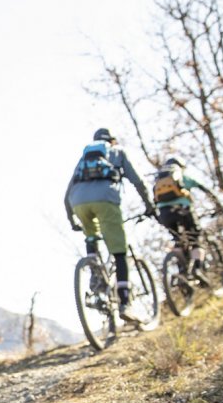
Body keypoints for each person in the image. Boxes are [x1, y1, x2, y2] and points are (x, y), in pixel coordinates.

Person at [64, 127, 156, 322]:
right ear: (111, 140)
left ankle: (95, 275)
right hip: (105, 199)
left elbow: (67, 193)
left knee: (91, 236)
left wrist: (72, 220)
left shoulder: (84, 159)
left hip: (78, 202)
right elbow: (137, 181)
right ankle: (125, 303)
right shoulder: (117, 152)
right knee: (119, 251)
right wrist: (150, 206)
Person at [153, 157, 219, 283]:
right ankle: (197, 269)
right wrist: (218, 203)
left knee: (178, 241)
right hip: (183, 209)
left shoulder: (159, 180)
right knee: (196, 238)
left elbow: (155, 200)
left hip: (165, 213)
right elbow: (203, 187)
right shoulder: (181, 175)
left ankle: (183, 273)